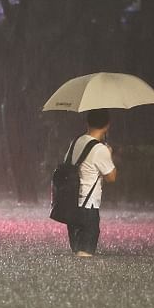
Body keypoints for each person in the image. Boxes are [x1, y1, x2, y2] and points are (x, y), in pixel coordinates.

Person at [66, 109, 117, 257]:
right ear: (107, 126)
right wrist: (109, 154)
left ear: (87, 123)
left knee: (76, 252)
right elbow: (111, 177)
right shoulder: (100, 149)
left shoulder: (75, 142)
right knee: (86, 253)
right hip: (88, 207)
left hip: (72, 205)